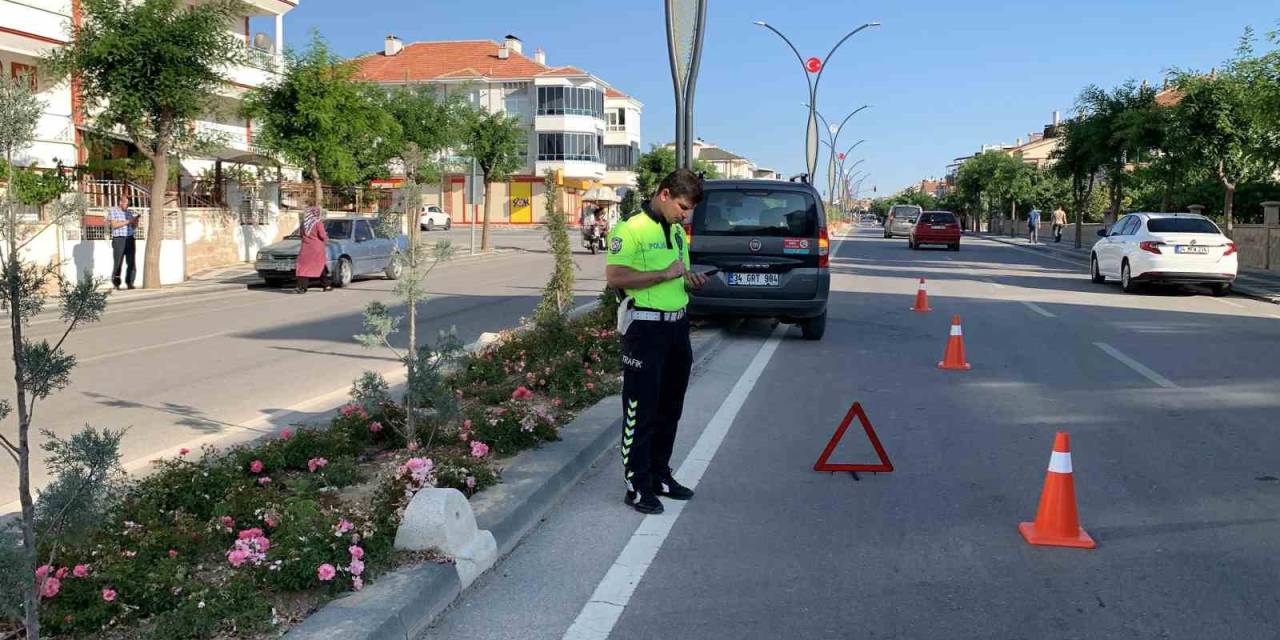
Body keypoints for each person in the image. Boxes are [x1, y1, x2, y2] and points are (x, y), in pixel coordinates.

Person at [605, 169, 707, 515]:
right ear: (664, 194)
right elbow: (616, 277)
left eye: (689, 209)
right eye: (682, 206)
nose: (685, 214)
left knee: (670, 408)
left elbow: (677, 277)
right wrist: (664, 274)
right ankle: (637, 484)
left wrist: (688, 280)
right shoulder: (630, 229)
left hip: (677, 328)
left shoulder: (677, 232)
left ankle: (661, 475)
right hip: (645, 331)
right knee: (640, 410)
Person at [106, 195, 140, 290]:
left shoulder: (129, 212)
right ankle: (116, 284)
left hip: (130, 239)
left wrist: (135, 222)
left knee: (131, 262)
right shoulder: (113, 211)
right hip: (119, 239)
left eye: (128, 203)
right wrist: (128, 221)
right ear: (121, 202)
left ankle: (130, 282)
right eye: (126, 203)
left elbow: (132, 227)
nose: (127, 205)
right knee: (118, 262)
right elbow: (114, 225)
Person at [295, 207, 331, 293]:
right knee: (320, 265)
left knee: (303, 267)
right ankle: (326, 285)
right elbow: (322, 235)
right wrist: (326, 238)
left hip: (305, 248)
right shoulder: (318, 223)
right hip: (317, 248)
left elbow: (300, 235)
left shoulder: (304, 223)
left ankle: (301, 287)